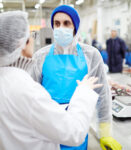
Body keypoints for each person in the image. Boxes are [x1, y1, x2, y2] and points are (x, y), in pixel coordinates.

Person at [0, 11, 103, 150]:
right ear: (22, 43)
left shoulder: (6, 80)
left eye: (67, 23)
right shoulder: (26, 89)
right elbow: (73, 132)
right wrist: (83, 92)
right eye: (31, 35)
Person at [31, 5, 122, 150]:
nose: (61, 28)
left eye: (66, 23)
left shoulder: (91, 55)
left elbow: (103, 96)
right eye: (57, 23)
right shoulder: (40, 56)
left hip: (78, 128)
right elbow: (31, 98)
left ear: (75, 27)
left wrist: (105, 134)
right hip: (46, 131)